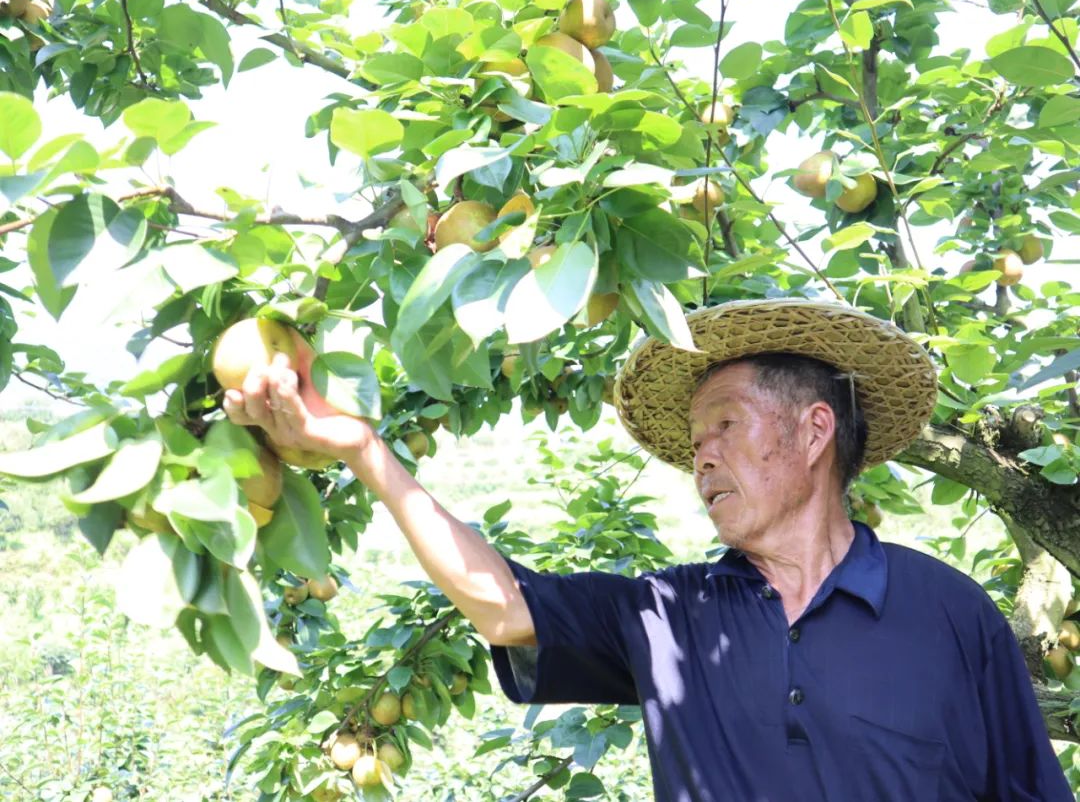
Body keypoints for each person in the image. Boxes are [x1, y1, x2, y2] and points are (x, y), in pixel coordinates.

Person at [223, 298, 1072, 801]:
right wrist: (364, 448)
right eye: (694, 441)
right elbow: (499, 603)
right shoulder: (671, 615)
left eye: (726, 427)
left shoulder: (950, 615)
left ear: (816, 431)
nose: (701, 456)